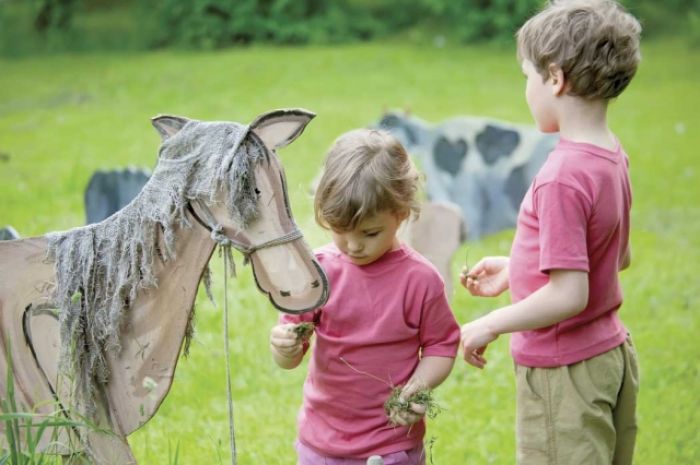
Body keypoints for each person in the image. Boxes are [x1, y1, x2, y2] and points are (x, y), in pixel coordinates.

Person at [459, 1, 642, 464]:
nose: (527, 89)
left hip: (565, 373)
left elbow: (569, 295)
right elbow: (613, 255)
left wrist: (488, 323)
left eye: (528, 77)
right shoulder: (609, 155)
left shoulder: (562, 176)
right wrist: (518, 269)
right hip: (610, 356)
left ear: (555, 78)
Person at [270, 128, 460, 465]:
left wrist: (419, 385)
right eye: (340, 231)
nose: (354, 245)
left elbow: (442, 345)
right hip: (320, 445)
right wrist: (283, 346)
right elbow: (289, 358)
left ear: (401, 212)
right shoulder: (317, 274)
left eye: (369, 233)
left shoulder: (420, 280)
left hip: (390, 446)